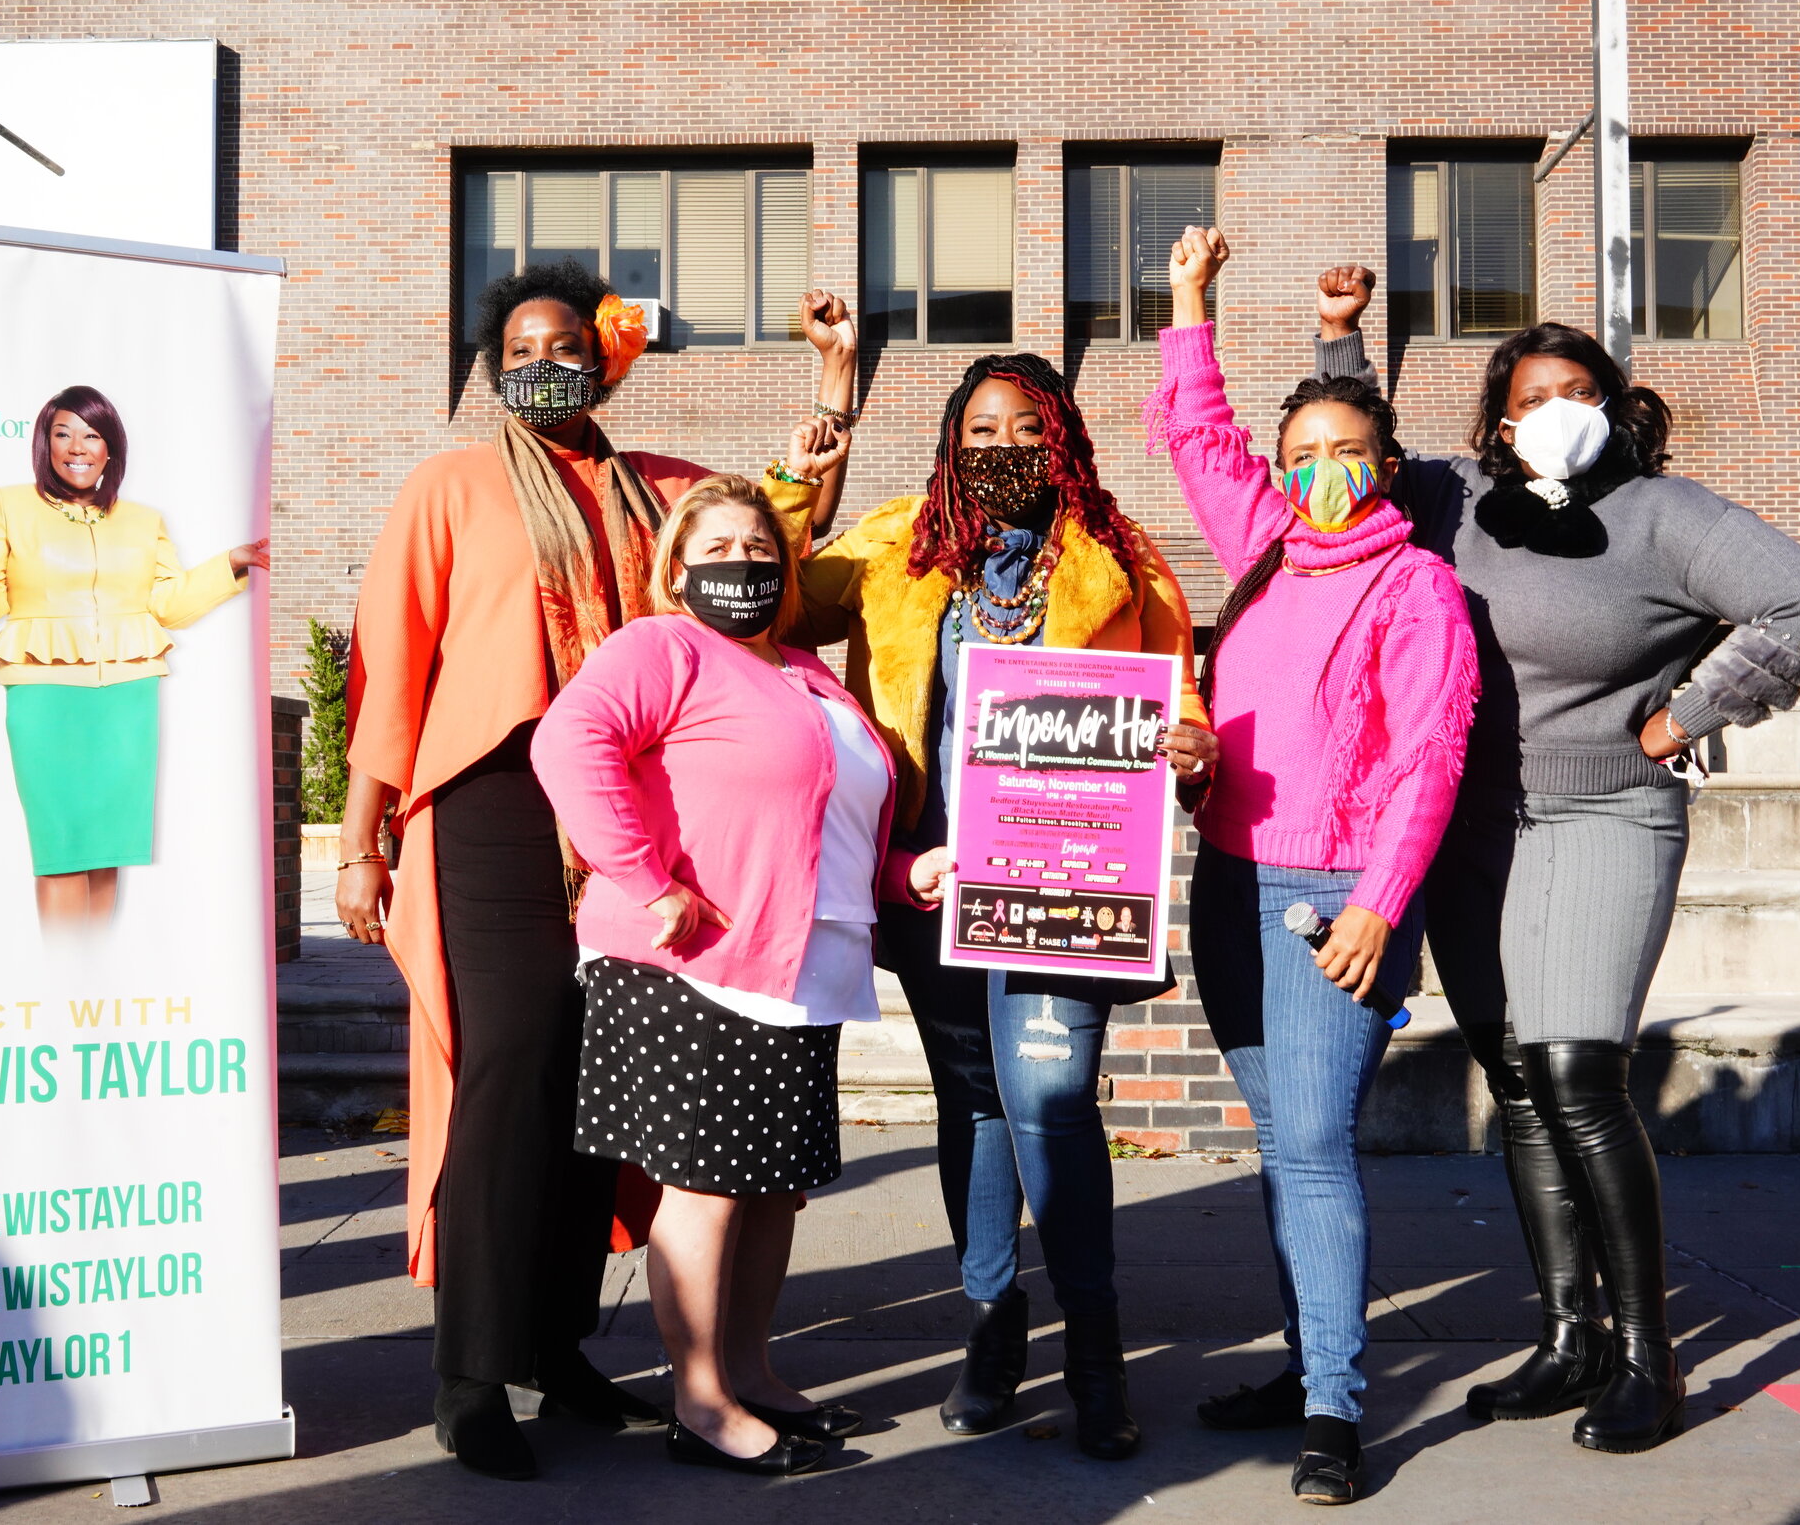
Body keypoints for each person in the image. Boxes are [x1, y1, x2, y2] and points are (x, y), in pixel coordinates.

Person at [1312, 265, 1800, 1456]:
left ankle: (1645, 1359)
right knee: (1512, 1077)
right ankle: (1566, 1340)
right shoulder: (1455, 498)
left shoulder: (1668, 515)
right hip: (1471, 831)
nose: (1556, 406)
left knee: (1575, 1073)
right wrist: (1340, 339)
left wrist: (1691, 713)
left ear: (1613, 403)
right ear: (1499, 421)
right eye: (1531, 393)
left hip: (1605, 816)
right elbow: (1350, 460)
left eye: (1578, 387)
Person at [335, 261, 856, 1480]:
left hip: (631, 808)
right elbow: (391, 662)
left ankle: (558, 1347)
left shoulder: (650, 487)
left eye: (565, 341)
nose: (544, 361)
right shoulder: (451, 484)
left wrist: (835, 378)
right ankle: (469, 1373)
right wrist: (360, 839)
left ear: (605, 353)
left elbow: (769, 524)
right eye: (520, 347)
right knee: (512, 1065)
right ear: (492, 366)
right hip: (496, 803)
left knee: (596, 1075)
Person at [789, 307, 1213, 1461]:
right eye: (980, 428)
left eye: (1026, 425)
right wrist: (812, 449)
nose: (1001, 444)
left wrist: (1190, 744)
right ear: (948, 444)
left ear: (1062, 436)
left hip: (1067, 884)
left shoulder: (1121, 556)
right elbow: (768, 597)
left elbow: (1180, 695)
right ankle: (991, 1320)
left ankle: (1094, 1342)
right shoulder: (891, 543)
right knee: (970, 1103)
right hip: (928, 881)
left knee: (1052, 1101)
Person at [1149, 229, 1479, 1505]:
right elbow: (1194, 432)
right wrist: (1190, 301)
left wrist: (1377, 910)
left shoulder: (1416, 590)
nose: (1324, 471)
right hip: (1227, 887)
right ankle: (1304, 1369)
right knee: (1280, 1142)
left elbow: (1428, 764)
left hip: (1331, 903)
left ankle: (1336, 1408)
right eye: (1304, 456)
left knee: (1312, 1149)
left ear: (1386, 466)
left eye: (1349, 453)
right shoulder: (1266, 549)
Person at [534, 474, 949, 1476]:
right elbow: (568, 741)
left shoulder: (810, 674)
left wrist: (905, 872)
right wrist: (645, 879)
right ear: (676, 570)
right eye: (716, 550)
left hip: (805, 964)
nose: (743, 567)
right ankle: (702, 1398)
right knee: (709, 1190)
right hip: (695, 963)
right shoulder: (663, 649)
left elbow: (825, 826)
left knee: (772, 1191)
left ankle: (752, 1371)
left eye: (761, 552)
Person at [0, 389, 264, 934]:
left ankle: (92, 984)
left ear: (111, 449)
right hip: (44, 697)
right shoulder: (9, 507)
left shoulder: (143, 521)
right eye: (63, 433)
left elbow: (168, 605)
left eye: (91, 435)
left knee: (108, 853)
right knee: (61, 851)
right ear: (45, 443)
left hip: (128, 697)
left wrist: (232, 562)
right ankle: (64, 986)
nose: (77, 447)